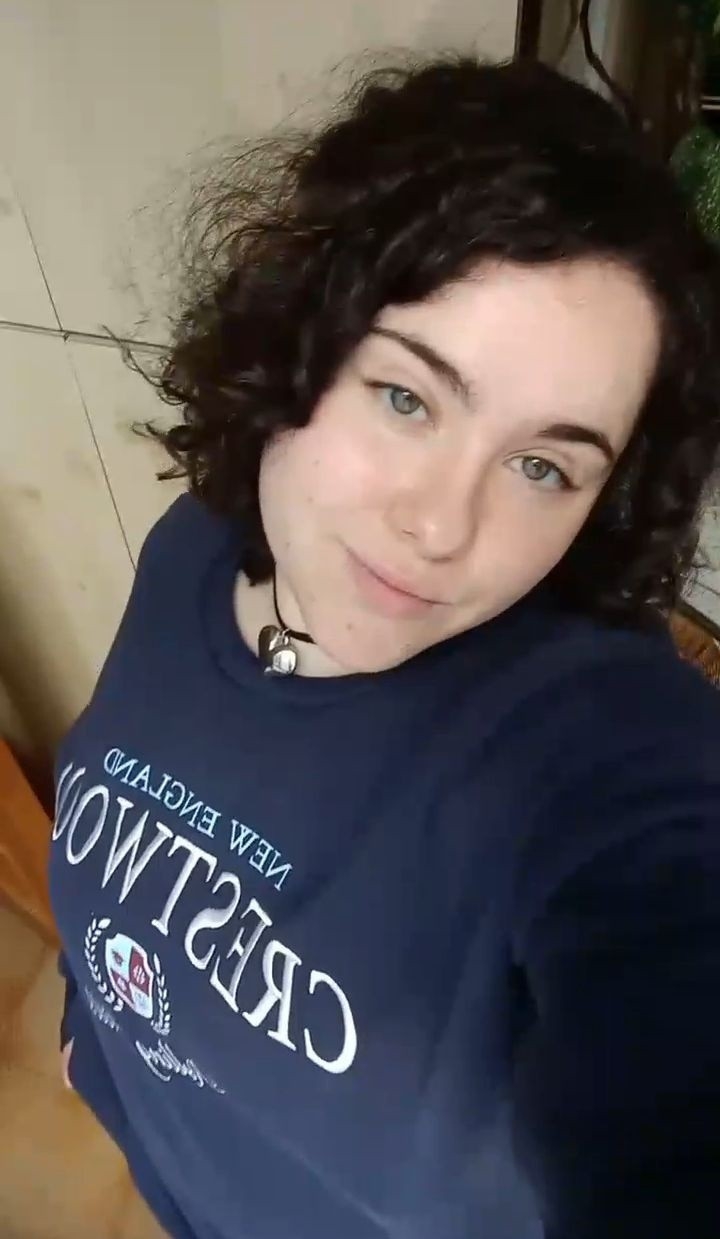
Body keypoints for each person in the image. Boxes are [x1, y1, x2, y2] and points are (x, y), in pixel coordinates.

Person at [49, 55, 720, 1239]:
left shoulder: (594, 752)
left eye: (542, 466)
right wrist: (97, 1045)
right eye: (407, 399)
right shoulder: (198, 546)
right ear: (299, 334)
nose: (442, 527)